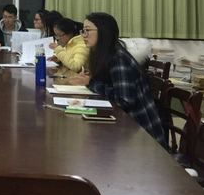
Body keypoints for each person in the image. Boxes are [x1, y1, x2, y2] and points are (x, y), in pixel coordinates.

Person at [68, 12, 165, 144]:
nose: (83, 35)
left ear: (104, 32)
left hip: (141, 134)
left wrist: (91, 83)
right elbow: (108, 84)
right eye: (83, 31)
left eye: (87, 30)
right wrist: (91, 79)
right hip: (127, 126)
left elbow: (125, 100)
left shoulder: (118, 59)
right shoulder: (105, 54)